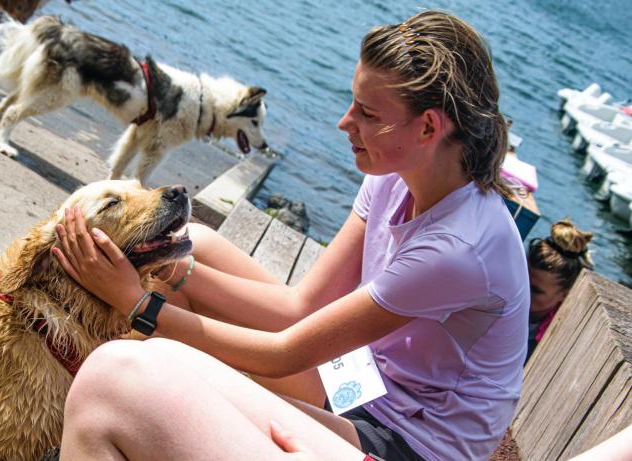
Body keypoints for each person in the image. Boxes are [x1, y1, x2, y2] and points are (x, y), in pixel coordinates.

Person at [52, 10, 529, 461]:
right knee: (199, 243)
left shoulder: (459, 250)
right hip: (361, 382)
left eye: (366, 113)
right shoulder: (393, 176)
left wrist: (139, 303)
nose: (345, 123)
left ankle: (104, 418)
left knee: (131, 372)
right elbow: (300, 308)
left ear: (428, 127)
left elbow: (285, 354)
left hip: (401, 442)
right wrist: (172, 267)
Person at [526, 219, 594, 360]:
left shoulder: (561, 336)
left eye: (535, 290)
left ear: (565, 294)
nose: (523, 292)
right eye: (522, 280)